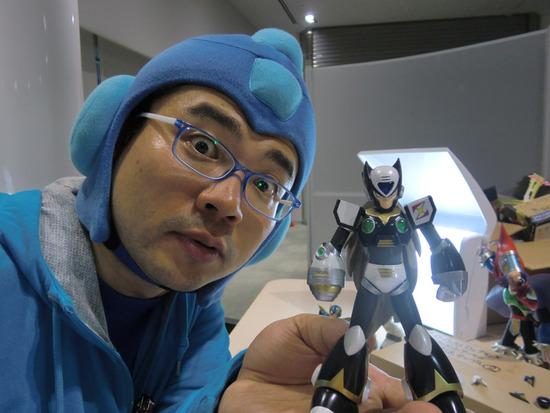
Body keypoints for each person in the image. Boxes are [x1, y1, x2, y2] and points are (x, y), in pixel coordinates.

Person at [0, 28, 440, 412]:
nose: (229, 204)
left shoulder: (195, 308)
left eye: (265, 185)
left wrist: (225, 398)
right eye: (202, 146)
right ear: (115, 137)